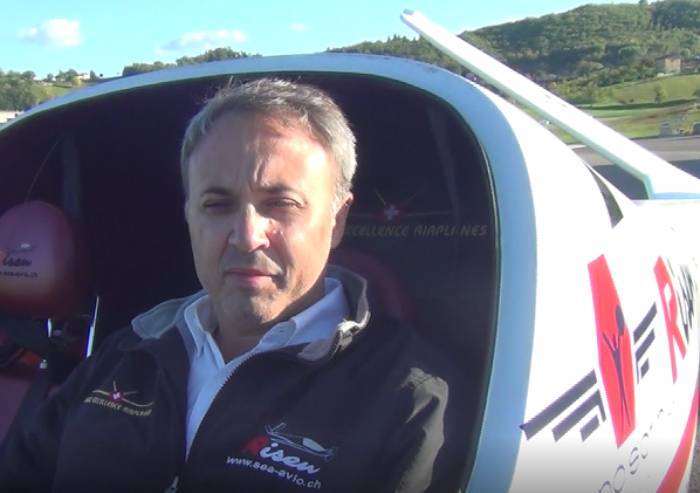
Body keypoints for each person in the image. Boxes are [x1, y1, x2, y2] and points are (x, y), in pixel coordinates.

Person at [0, 78, 460, 492]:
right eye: (218, 205)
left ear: (337, 221)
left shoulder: (410, 399)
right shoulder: (126, 353)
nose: (246, 235)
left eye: (281, 203)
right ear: (189, 216)